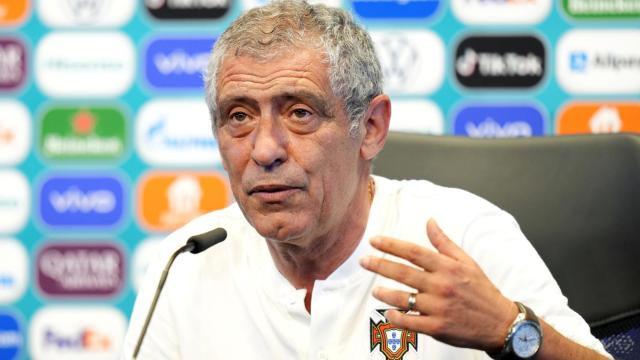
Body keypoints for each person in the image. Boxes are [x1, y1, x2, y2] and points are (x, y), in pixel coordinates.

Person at [123, 1, 612, 359]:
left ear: (370, 128)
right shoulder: (187, 262)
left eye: (299, 112)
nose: (265, 149)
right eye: (239, 117)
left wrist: (508, 329)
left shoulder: (464, 236)